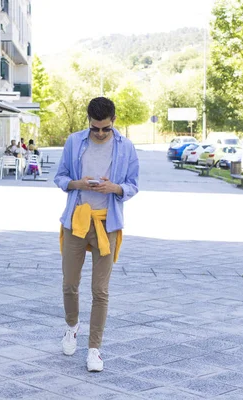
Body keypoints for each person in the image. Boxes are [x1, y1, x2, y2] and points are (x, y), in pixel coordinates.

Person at [54, 97, 139, 372]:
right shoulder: (74, 142)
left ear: (113, 121)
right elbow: (60, 176)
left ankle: (94, 349)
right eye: (95, 128)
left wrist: (115, 188)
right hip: (77, 220)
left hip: (106, 223)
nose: (100, 133)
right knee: (70, 283)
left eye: (105, 128)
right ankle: (71, 326)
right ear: (88, 122)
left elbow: (133, 185)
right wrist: (75, 183)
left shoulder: (125, 147)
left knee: (100, 290)